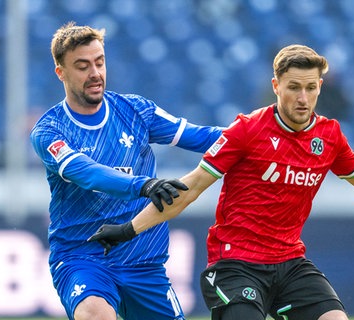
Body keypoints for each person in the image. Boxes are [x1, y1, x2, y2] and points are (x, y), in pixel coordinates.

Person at [88, 44, 354, 320]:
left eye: (311, 88)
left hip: (289, 262)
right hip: (235, 264)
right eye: (294, 87)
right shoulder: (246, 131)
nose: (303, 98)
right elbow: (190, 189)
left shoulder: (329, 136)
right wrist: (128, 229)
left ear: (320, 88)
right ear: (276, 85)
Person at [29, 22, 223, 320]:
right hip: (84, 256)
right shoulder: (49, 130)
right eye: (82, 66)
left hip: (143, 260)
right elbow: (86, 172)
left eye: (99, 62)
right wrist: (143, 185)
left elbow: (202, 137)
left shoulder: (135, 111)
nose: (95, 73)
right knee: (95, 315)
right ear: (61, 73)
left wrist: (262, 129)